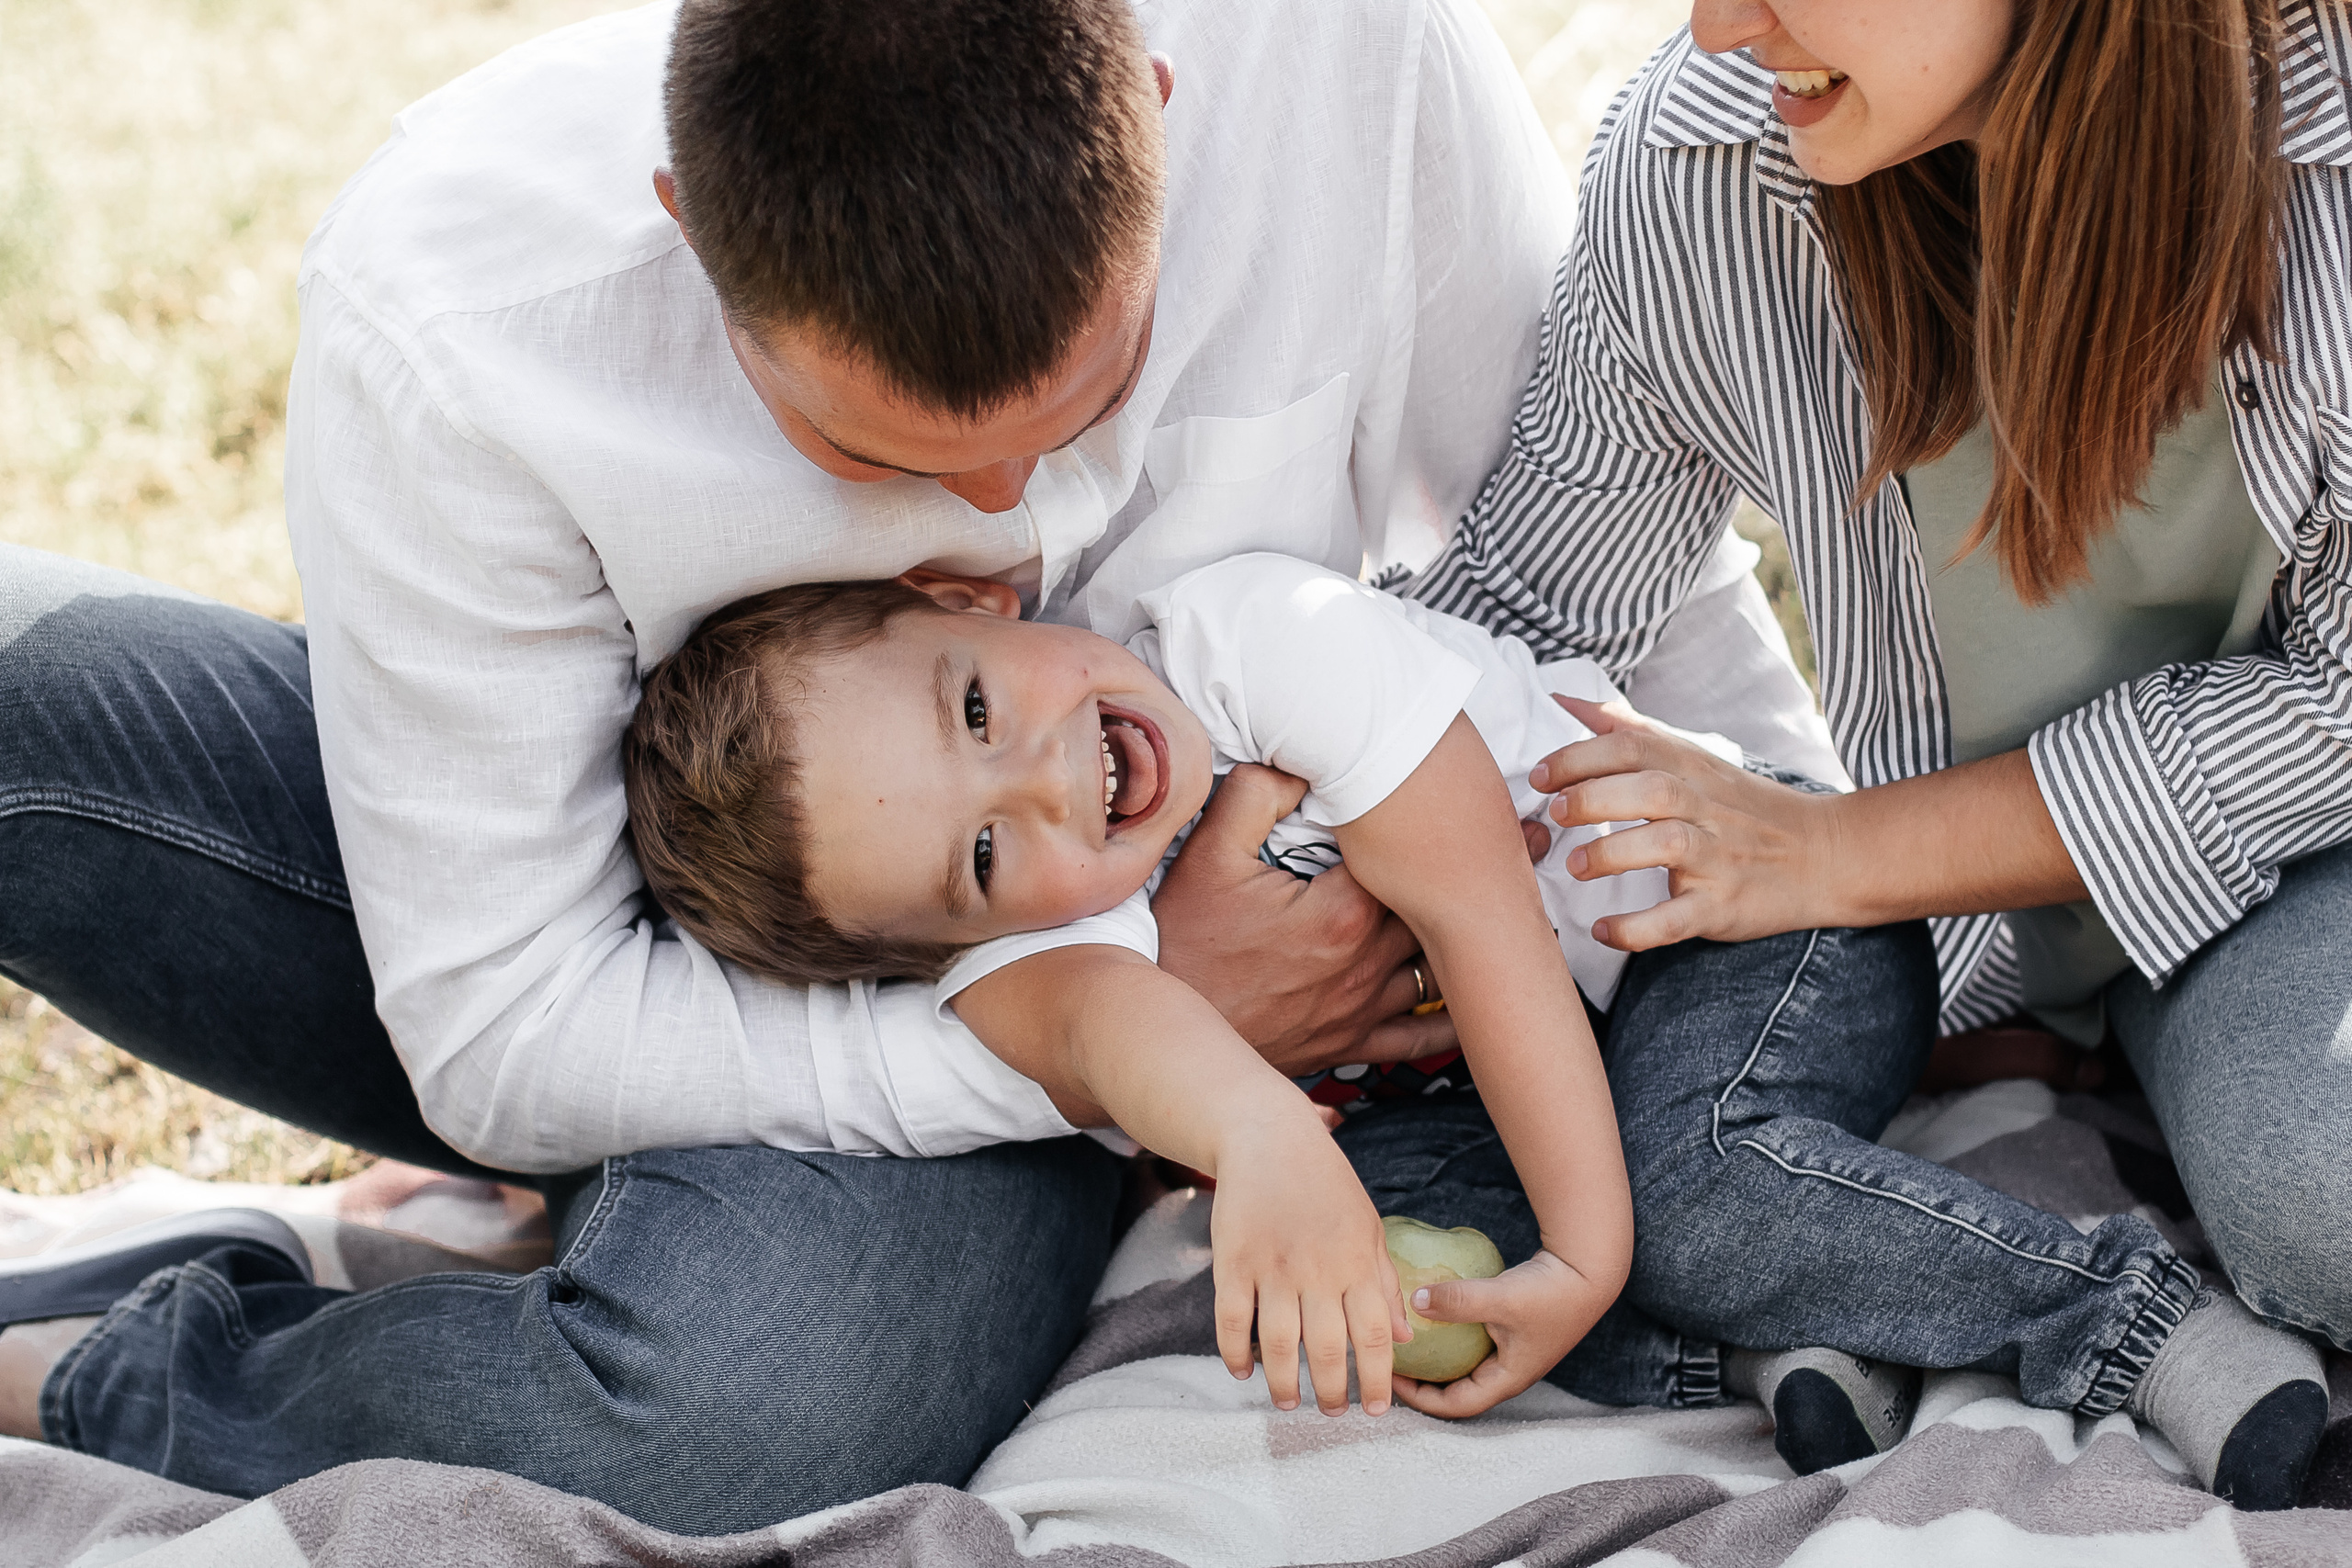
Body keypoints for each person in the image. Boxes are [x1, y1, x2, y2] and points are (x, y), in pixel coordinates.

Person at [0, 0, 1832, 1532]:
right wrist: (1134, 1021)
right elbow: (504, 1026)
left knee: (732, 1418)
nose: (991, 520)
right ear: (685, 227)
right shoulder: (461, 327)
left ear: (1161, 117)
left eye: (1081, 404)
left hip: (975, 1062)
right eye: (861, 451)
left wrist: (1825, 881)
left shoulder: (1340, 58)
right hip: (668, 954)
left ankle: (121, 1367)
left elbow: (1599, 543)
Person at [1406, 0, 2348, 1511]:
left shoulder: (2329, 146)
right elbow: (1525, 614)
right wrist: (1299, 855)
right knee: (1528, 1156)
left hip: (2307, 854)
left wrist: (1839, 855)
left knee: (2324, 1182)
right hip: (1948, 930)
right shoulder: (1708, 161)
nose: (1718, 24)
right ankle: (1853, 1288)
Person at [620, 552, 1688, 1419]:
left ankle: (1758, 1293)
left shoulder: (1256, 646)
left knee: (1703, 1199)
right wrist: (1260, 1139)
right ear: (945, 950)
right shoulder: (1028, 955)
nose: (1046, 779)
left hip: (1694, 932)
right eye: (985, 855)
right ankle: (1740, 1365)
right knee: (1386, 1313)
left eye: (979, 710)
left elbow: (1481, 915)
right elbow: (1103, 1027)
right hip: (1529, 1085)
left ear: (966, 601)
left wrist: (1585, 1251)